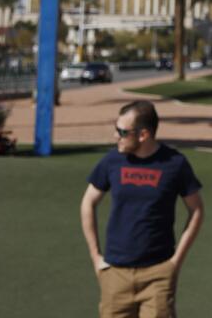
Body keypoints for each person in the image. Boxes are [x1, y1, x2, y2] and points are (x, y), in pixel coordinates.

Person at [80, 100, 204, 318]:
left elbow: (196, 211)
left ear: (143, 135)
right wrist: (95, 257)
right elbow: (88, 202)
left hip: (158, 274)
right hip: (115, 272)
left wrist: (175, 262)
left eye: (122, 131)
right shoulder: (112, 161)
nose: (115, 136)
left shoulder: (175, 164)